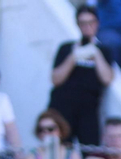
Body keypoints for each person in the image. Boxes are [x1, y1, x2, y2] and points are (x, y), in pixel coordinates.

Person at [48, 5, 115, 148]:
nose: (87, 27)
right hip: (63, 108)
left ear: (97, 23)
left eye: (91, 22)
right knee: (60, 150)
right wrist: (74, 56)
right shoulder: (66, 48)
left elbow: (107, 78)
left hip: (89, 111)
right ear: (78, 25)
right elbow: (55, 79)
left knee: (91, 151)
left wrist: (95, 53)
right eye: (83, 23)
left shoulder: (104, 50)